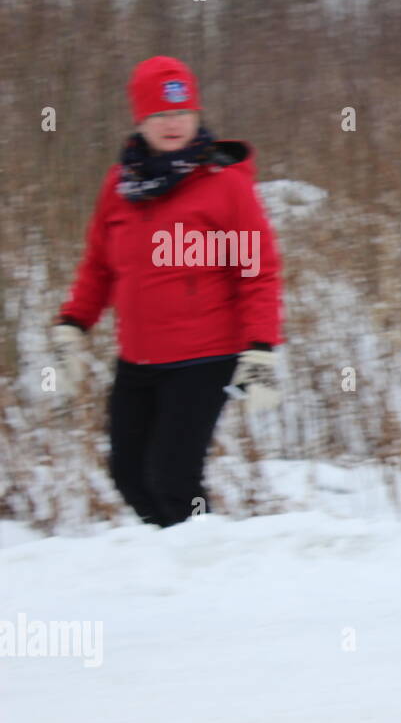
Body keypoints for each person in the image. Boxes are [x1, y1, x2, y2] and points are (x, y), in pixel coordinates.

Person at [50, 55, 283, 527]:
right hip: (137, 358)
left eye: (182, 111)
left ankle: (204, 568)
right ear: (141, 120)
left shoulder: (224, 187)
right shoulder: (121, 185)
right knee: (129, 474)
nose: (173, 123)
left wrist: (261, 350)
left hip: (204, 357)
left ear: (196, 114)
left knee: (172, 479)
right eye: (160, 113)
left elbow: (257, 272)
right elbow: (99, 264)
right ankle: (177, 562)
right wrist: (74, 323)